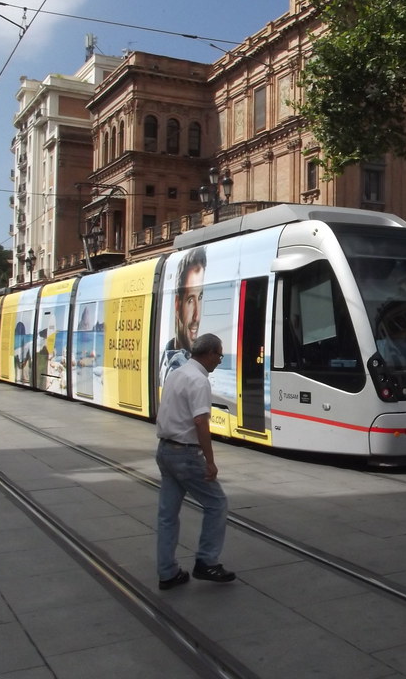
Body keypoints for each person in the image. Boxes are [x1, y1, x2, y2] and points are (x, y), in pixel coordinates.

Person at [155, 332, 235, 590]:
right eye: (219, 356)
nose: (219, 361)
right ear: (209, 353)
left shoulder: (177, 373)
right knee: (217, 503)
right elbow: (201, 422)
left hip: (165, 451)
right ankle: (206, 562)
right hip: (185, 455)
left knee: (168, 515)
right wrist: (209, 461)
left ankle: (167, 572)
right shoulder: (199, 381)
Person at [160, 247, 207, 384]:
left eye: (200, 297)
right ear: (177, 304)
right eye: (190, 300)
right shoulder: (179, 368)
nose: (197, 316)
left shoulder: (167, 356)